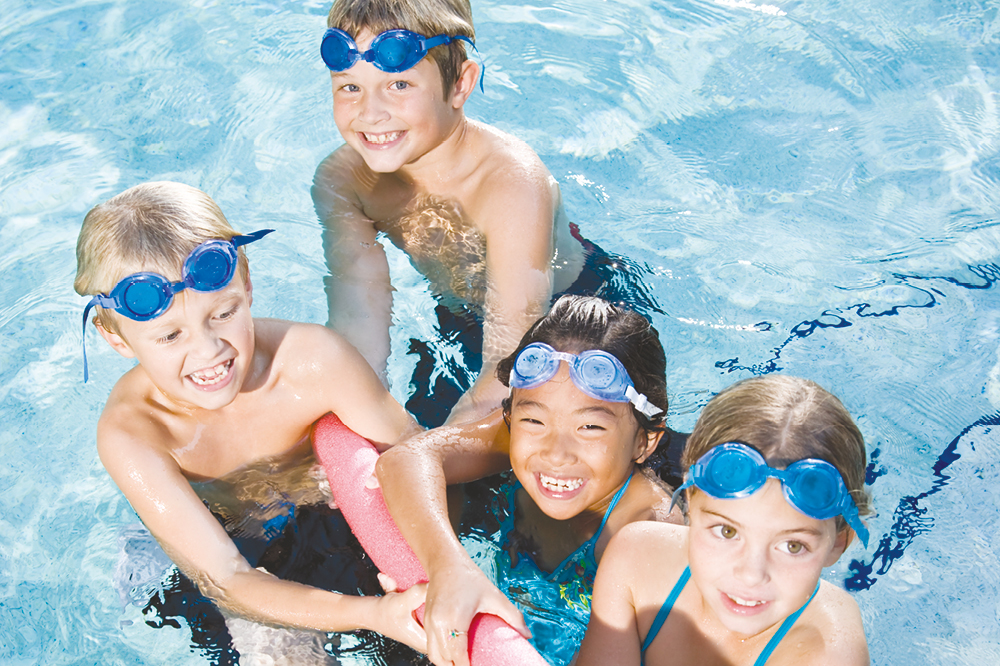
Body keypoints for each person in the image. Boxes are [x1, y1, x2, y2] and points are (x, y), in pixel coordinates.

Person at [74, 181, 427, 659]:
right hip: (224, 548)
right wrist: (374, 615)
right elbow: (227, 578)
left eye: (223, 313)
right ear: (116, 339)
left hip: (328, 512)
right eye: (169, 335)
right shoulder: (135, 435)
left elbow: (420, 459)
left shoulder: (312, 363)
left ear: (248, 285)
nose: (207, 351)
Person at [312, 0, 590, 427]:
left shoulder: (510, 181)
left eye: (399, 85)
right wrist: (361, 425)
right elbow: (358, 320)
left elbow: (511, 357)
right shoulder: (344, 180)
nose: (370, 113)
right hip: (458, 317)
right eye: (350, 87)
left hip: (571, 319)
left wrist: (433, 453)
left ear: (460, 84)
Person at [376, 295, 685, 666]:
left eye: (590, 427)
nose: (556, 453)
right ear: (511, 415)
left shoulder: (654, 534)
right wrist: (448, 566)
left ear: (644, 441)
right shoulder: (514, 438)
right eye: (534, 420)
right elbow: (403, 460)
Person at [576, 374, 872, 666]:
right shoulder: (637, 559)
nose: (751, 574)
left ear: (839, 543)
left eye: (793, 546)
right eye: (727, 531)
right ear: (690, 501)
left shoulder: (829, 653)